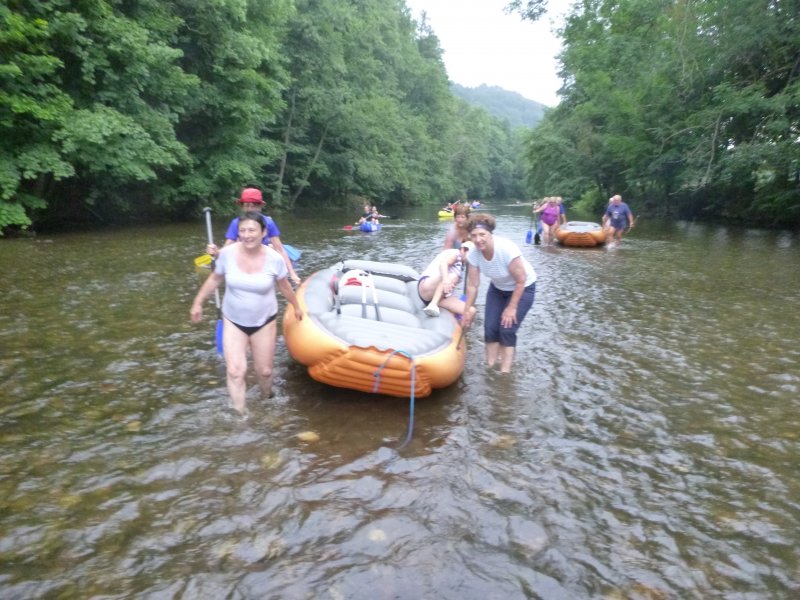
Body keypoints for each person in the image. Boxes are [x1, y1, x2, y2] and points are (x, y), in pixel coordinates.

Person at [191, 212, 303, 414]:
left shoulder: (274, 259)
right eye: (242, 230)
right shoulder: (227, 254)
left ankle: (267, 398)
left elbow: (283, 286)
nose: (247, 235)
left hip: (264, 321)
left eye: (252, 230)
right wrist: (198, 302)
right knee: (235, 371)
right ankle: (240, 416)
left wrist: (296, 306)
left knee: (265, 371)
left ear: (263, 232)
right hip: (233, 320)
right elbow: (215, 279)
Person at [461, 213, 537, 373]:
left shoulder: (506, 249)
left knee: (507, 329)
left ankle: (505, 372)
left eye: (482, 234)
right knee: (490, 329)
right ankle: (490, 366)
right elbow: (473, 285)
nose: (478, 239)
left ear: (490, 234)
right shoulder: (473, 253)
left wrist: (511, 308)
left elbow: (521, 280)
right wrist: (467, 310)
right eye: (474, 235)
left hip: (522, 288)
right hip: (497, 289)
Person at [207, 188, 301, 285]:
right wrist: (216, 252)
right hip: (244, 259)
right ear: (243, 207)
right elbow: (225, 250)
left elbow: (280, 249)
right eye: (247, 205)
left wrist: (292, 273)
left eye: (253, 205)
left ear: (259, 206)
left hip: (263, 259)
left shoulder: (268, 223)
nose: (250, 209)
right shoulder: (236, 223)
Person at [418, 241, 477, 319]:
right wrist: (446, 279)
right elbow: (443, 264)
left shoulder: (462, 265)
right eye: (471, 255)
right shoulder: (456, 254)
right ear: (463, 250)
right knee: (453, 276)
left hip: (440, 297)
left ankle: (462, 327)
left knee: (471, 311)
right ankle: (433, 305)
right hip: (426, 287)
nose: (472, 259)